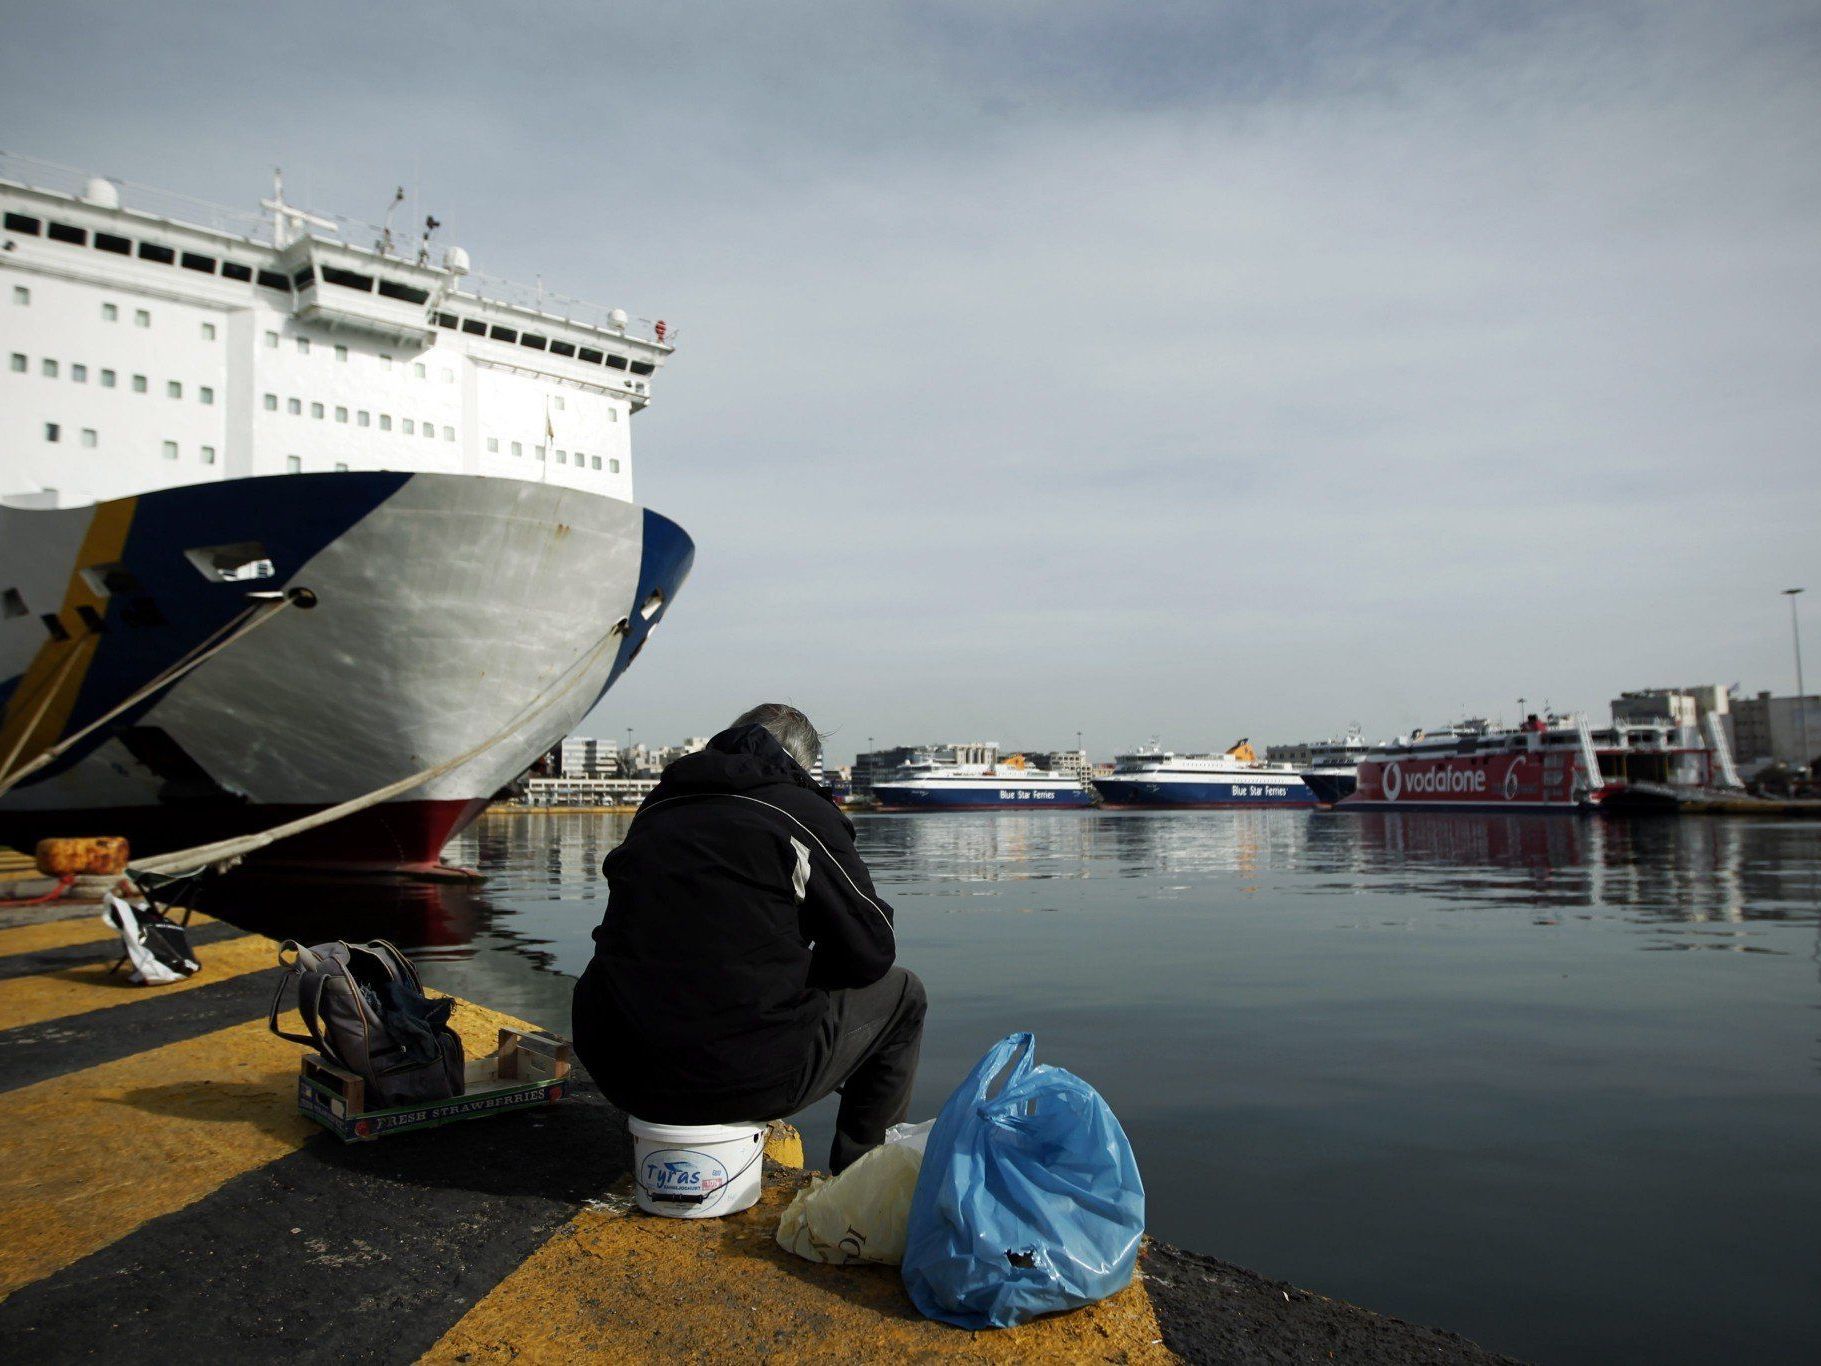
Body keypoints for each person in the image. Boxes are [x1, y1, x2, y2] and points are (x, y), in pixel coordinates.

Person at [572, 703, 925, 1173]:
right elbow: (872, 952)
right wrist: (807, 977)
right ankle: (863, 1177)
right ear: (801, 763)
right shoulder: (800, 811)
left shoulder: (658, 806)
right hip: (747, 1077)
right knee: (903, 996)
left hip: (619, 1070)